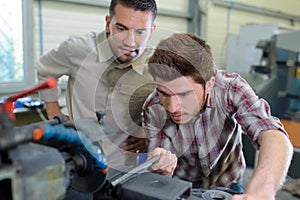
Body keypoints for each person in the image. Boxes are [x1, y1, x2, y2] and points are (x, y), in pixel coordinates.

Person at [142, 33, 293, 200]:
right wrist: (162, 166)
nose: (172, 108)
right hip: (182, 186)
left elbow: (272, 134)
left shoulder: (231, 88)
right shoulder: (152, 107)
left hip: (228, 182)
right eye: (163, 93)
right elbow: (159, 162)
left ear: (209, 84)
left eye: (184, 94)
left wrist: (263, 190)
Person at [35, 0, 157, 156]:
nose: (130, 42)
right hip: (76, 156)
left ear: (151, 31)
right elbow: (44, 69)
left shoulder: (155, 65)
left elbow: (172, 106)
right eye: (121, 28)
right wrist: (53, 111)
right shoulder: (77, 49)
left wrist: (150, 137)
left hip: (123, 163)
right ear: (108, 23)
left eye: (140, 31)